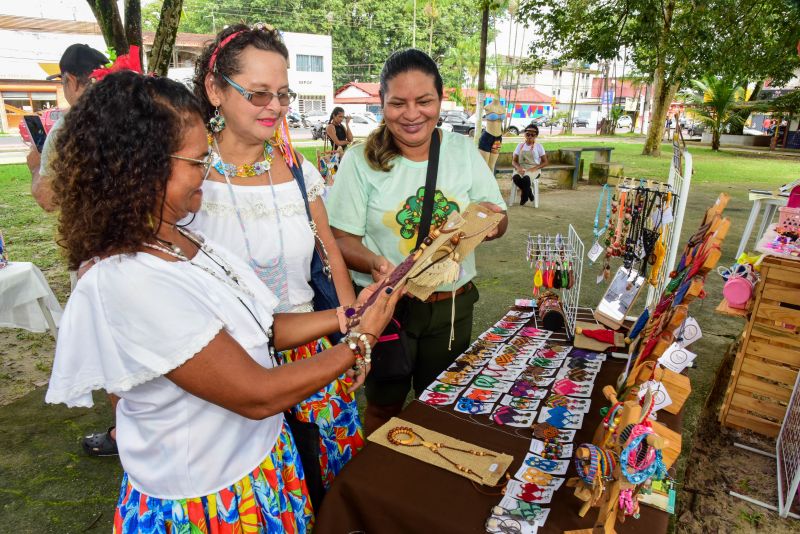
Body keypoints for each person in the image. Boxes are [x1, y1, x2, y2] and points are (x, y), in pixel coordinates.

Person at [45, 70, 401, 532]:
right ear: (140, 168)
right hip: (208, 504)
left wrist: (346, 314)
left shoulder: (182, 240)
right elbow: (256, 394)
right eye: (196, 160)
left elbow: (262, 327)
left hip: (258, 470)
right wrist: (361, 340)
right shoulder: (129, 281)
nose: (207, 169)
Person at [189, 24, 361, 508]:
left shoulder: (297, 167)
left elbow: (328, 251)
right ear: (215, 89)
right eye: (259, 93)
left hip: (312, 350)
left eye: (283, 94)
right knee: (263, 496)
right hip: (228, 366)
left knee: (329, 488)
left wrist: (354, 338)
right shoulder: (187, 174)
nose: (276, 107)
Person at [327, 49, 508, 433]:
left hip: (451, 307)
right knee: (382, 409)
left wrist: (488, 225)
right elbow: (340, 238)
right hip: (388, 308)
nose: (412, 114)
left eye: (424, 101)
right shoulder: (360, 161)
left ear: (440, 101)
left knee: (442, 409)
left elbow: (499, 216)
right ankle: (380, 484)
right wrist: (376, 263)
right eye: (398, 103)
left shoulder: (461, 151)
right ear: (382, 104)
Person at [26, 43, 108, 212]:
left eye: (62, 82)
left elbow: (47, 199)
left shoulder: (65, 128)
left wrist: (35, 167)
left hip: (93, 231)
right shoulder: (131, 113)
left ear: (70, 80)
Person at [512, 123, 548, 207]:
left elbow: (545, 162)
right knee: (516, 177)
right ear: (525, 134)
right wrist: (518, 168)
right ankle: (529, 193)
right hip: (521, 167)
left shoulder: (539, 146)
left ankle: (524, 197)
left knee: (526, 178)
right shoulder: (520, 146)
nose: (530, 136)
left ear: (536, 136)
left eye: (533, 134)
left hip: (533, 168)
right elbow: (513, 161)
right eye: (528, 134)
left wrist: (535, 168)